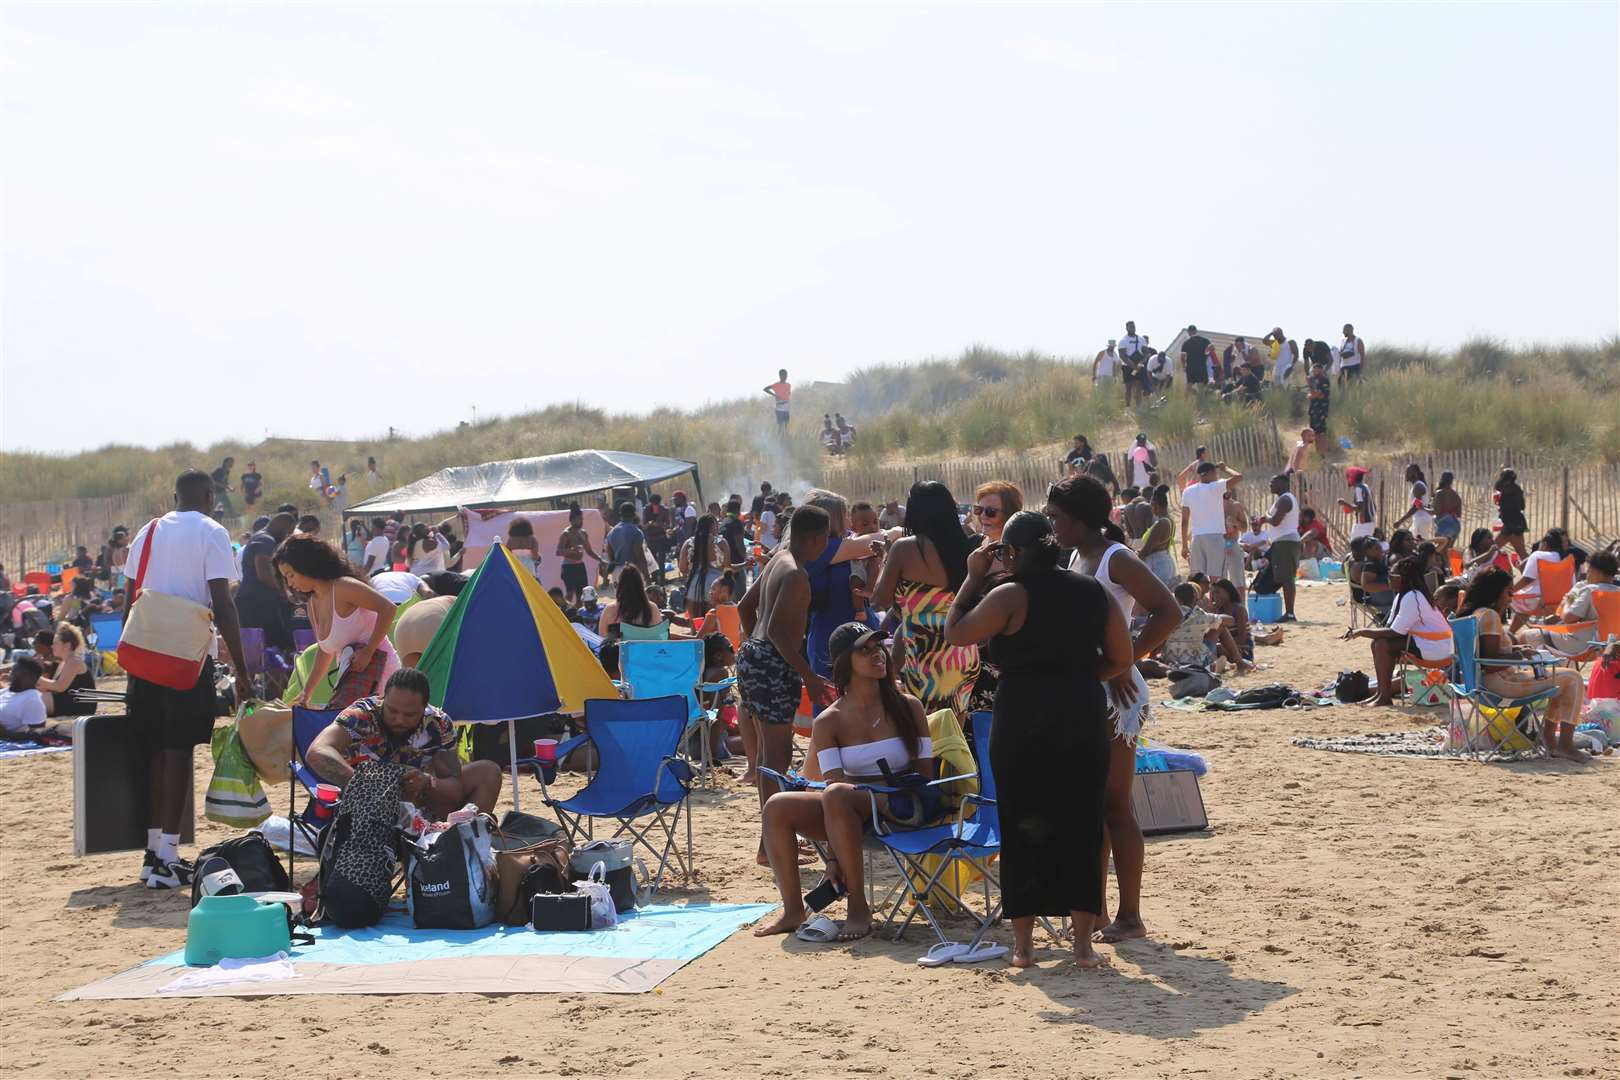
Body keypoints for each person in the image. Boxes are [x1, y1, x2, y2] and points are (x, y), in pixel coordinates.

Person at [943, 510, 1132, 968]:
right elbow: (1121, 657)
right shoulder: (1091, 591)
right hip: (1080, 712)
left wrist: (972, 578)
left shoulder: (1010, 595)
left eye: (1005, 551)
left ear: (1019, 552)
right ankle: (1083, 946)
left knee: (1021, 821)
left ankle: (1024, 948)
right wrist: (1079, 678)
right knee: (1082, 823)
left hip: (1022, 714)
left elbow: (955, 632)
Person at [1046, 477, 1180, 944]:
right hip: (1090, 685)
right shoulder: (1075, 556)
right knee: (1091, 806)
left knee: (1114, 805)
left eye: (1057, 518)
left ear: (1081, 519)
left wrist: (1128, 658)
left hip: (1115, 693)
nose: (1053, 525)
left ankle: (1129, 915)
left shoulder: (1114, 558)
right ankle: (1097, 911)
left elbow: (1168, 611)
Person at [753, 622, 932, 942]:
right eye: (864, 650)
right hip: (849, 808)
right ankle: (793, 909)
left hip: (904, 802)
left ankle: (858, 905)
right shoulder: (829, 721)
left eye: (879, 647)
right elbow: (832, 793)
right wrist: (832, 857)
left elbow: (926, 777)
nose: (877, 653)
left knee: (837, 794)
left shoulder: (909, 706)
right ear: (843, 663)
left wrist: (878, 797)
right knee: (777, 805)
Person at [121, 469, 251, 889]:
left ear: (174, 495)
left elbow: (129, 598)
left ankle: (154, 854)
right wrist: (242, 670)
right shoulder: (212, 532)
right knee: (177, 753)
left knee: (155, 751)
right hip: (186, 658)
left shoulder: (149, 530)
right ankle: (168, 856)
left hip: (145, 654)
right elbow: (222, 602)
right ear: (211, 495)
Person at [738, 505, 833, 862]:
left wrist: (754, 646)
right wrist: (808, 674)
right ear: (816, 538)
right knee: (777, 758)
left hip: (754, 656)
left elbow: (746, 607)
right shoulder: (796, 575)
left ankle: (771, 843)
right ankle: (776, 844)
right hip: (774, 663)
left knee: (768, 756)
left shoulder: (778, 559)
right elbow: (779, 631)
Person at [306, 668, 503, 816]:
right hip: (365, 806)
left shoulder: (438, 724)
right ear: (383, 699)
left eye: (410, 715)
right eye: (392, 711)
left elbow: (454, 787)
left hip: (417, 798)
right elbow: (318, 751)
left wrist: (428, 783)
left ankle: (464, 840)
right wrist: (364, 786)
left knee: (488, 772)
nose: (399, 719)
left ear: (424, 708)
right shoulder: (362, 716)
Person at [869, 481, 981, 718]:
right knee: (953, 736)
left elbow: (879, 599)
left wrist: (887, 560)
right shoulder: (967, 544)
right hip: (963, 653)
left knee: (923, 736)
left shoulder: (904, 548)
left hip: (924, 657)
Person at [1457, 570, 1588, 761]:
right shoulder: (1490, 616)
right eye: (1509, 593)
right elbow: (1490, 662)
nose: (1511, 599)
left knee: (1564, 680)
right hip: (1500, 683)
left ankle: (1550, 740)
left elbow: (1486, 654)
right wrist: (1520, 655)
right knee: (1573, 678)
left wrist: (1518, 649)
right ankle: (1563, 745)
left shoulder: (1476, 614)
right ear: (1495, 592)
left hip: (1482, 683)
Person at [275, 535, 400, 711]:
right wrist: (307, 692)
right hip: (353, 682)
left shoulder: (343, 587)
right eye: (285, 578)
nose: (289, 583)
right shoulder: (312, 603)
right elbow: (325, 650)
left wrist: (369, 650)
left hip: (380, 677)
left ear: (306, 565)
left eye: (291, 575)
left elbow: (388, 608)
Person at [1343, 556, 1453, 706]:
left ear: (1403, 579)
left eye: (1391, 575)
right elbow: (1390, 629)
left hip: (1437, 648)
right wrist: (1364, 632)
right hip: (1426, 643)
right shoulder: (1402, 595)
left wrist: (1362, 631)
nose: (1388, 578)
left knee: (1382, 644)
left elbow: (1395, 633)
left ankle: (1384, 696)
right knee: (1378, 642)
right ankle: (1382, 693)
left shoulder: (1413, 597)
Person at [1523, 551, 1619, 655]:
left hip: (1584, 645)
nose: (1587, 576)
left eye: (1589, 572)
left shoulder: (1591, 590)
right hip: (1612, 646)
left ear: (1597, 573)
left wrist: (1568, 600)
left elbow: (1568, 618)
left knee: (1524, 636)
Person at [235, 512, 297, 652]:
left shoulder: (261, 537)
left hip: (254, 602)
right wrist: (287, 593)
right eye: (288, 532)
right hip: (258, 603)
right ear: (282, 526)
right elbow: (264, 574)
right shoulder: (266, 540)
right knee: (268, 648)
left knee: (259, 649)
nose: (287, 536)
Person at [1180, 461, 1242, 579]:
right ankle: (1215, 598)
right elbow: (1239, 477)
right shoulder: (1216, 486)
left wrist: (1184, 546)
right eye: (1215, 473)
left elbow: (1184, 521)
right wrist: (1226, 468)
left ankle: (1199, 598)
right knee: (1216, 578)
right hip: (1215, 538)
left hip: (1197, 539)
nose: (1217, 476)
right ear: (1209, 473)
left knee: (1198, 578)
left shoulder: (1188, 491)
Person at [1508, 529, 1571, 630]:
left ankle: (1511, 632)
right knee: (1527, 600)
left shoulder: (1538, 555)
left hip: (1539, 599)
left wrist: (1510, 591)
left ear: (1545, 543)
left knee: (1516, 599)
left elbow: (1527, 579)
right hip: (1559, 600)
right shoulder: (1565, 559)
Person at [1262, 473, 1302, 621]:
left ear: (1284, 483)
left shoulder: (1285, 499)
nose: (1271, 485)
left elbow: (1276, 521)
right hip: (1283, 541)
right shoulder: (1282, 499)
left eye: (1274, 482)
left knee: (1287, 578)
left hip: (1286, 542)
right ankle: (1289, 612)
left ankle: (1290, 613)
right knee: (1285, 577)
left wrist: (1266, 518)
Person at [36, 623, 97, 717]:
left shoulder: (74, 661)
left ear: (67, 645)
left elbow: (59, 686)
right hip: (68, 699)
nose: (52, 646)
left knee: (31, 700)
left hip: (79, 705)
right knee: (30, 697)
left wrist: (35, 677)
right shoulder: (64, 661)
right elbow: (52, 686)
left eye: (55, 643)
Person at [679, 514, 731, 620]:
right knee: (715, 626)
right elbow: (727, 568)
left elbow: (682, 568)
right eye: (717, 524)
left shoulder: (689, 543)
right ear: (713, 526)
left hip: (694, 585)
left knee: (696, 627)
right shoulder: (721, 542)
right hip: (716, 586)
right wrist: (744, 565)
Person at [596, 564, 667, 640]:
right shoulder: (652, 608)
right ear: (641, 585)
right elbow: (660, 638)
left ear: (620, 586)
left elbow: (602, 637)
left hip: (623, 651)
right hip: (648, 650)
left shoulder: (610, 610)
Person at [556, 506, 602, 604]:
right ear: (572, 520)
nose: (581, 521)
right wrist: (572, 550)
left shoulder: (583, 533)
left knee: (582, 594)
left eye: (581, 519)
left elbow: (589, 551)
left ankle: (579, 616)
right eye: (578, 519)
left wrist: (600, 559)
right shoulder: (566, 534)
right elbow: (558, 551)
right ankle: (566, 613)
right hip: (568, 567)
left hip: (580, 566)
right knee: (570, 593)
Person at [1137, 486, 1178, 588]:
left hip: (1158, 565)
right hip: (1165, 561)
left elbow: (1147, 549)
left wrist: (1135, 556)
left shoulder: (1161, 523)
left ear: (1154, 505)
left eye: (1151, 505)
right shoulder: (1170, 520)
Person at [0, 657, 51, 739]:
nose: (9, 676)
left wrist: (6, 734)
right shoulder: (8, 691)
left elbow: (38, 733)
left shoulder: (32, 700)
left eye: (13, 672)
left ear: (27, 677)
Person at [605, 502, 648, 580]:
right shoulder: (636, 532)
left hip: (617, 571)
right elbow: (640, 556)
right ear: (634, 514)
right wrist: (647, 577)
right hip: (632, 570)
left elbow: (609, 552)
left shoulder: (612, 532)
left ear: (620, 514)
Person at [1493, 468, 1530, 558]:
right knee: (1492, 549)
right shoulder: (1513, 488)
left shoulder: (1510, 489)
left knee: (1492, 550)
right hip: (1512, 524)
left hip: (1513, 525)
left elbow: (1497, 486)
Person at [1391, 464, 1433, 539]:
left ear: (1414, 473)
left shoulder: (1418, 486)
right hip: (1419, 518)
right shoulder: (1417, 485)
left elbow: (1416, 507)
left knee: (1419, 543)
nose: (1405, 474)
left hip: (1421, 519)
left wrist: (1400, 521)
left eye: (1408, 472)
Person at [1337, 467, 1377, 541]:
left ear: (1352, 478)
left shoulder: (1358, 489)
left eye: (1348, 477)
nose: (1347, 479)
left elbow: (1359, 508)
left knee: (1357, 547)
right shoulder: (1365, 486)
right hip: (1368, 522)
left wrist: (1344, 503)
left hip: (1363, 524)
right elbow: (1372, 506)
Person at [1432, 472, 1464, 553]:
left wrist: (1422, 508)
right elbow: (1459, 514)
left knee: (1439, 551)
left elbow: (1436, 512)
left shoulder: (1439, 493)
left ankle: (1442, 565)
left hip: (1444, 524)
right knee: (1448, 551)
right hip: (1455, 524)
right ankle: (1452, 566)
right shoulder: (1456, 495)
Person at [1307, 361, 1332, 437]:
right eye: (1314, 370)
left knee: (1320, 433)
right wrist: (1311, 395)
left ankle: (1322, 448)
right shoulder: (1314, 379)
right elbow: (1310, 394)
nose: (1315, 372)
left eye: (1317, 370)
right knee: (1313, 431)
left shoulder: (1324, 380)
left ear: (1321, 370)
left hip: (1321, 410)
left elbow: (1318, 395)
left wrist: (1310, 384)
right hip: (1313, 409)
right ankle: (1317, 448)